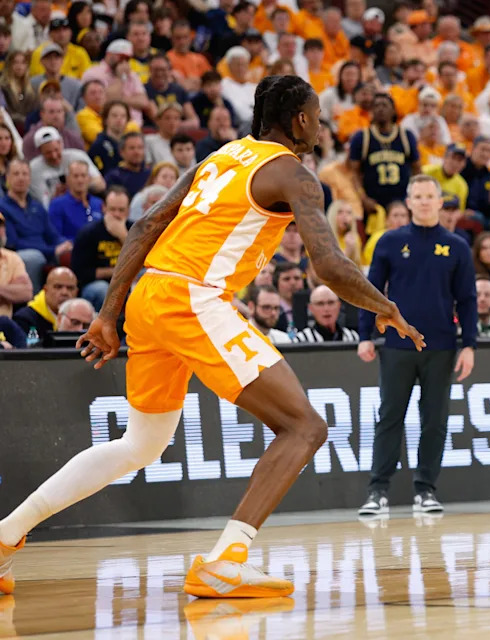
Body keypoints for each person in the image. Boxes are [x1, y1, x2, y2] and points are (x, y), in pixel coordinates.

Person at [0, 75, 424, 599]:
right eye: (316, 115)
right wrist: (386, 307)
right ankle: (227, 560)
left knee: (140, 443)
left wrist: (109, 313)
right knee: (304, 426)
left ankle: (5, 535)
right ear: (300, 120)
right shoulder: (295, 172)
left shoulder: (219, 158)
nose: (320, 125)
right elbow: (330, 266)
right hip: (192, 296)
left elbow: (146, 224)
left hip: (149, 296)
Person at [356, 174, 476, 518]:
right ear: (408, 202)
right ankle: (377, 491)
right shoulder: (389, 242)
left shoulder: (457, 246)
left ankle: (425, 490)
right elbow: (372, 292)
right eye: (417, 196)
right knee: (390, 417)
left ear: (440, 202)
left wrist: (469, 345)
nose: (424, 201)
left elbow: (467, 300)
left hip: (441, 346)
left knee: (435, 421)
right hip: (396, 345)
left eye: (429, 196)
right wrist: (366, 335)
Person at [348, 93, 420, 221]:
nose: (380, 108)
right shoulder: (361, 137)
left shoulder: (406, 136)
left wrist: (413, 198)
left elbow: (417, 170)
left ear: (393, 111)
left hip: (401, 203)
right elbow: (354, 173)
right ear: (371, 111)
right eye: (376, 105)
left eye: (384, 105)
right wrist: (363, 198)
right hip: (374, 205)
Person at [1, 158, 70, 291]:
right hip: (21, 255)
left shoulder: (37, 206)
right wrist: (51, 251)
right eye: (16, 174)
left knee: (70, 251)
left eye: (25, 174)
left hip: (45, 253)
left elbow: (52, 235)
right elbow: (12, 243)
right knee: (34, 257)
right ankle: (33, 301)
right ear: (7, 178)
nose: (21, 178)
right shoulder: (2, 207)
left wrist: (66, 244)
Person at [70, 187, 132, 310]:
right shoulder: (88, 233)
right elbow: (80, 273)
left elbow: (144, 263)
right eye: (112, 209)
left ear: (128, 211)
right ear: (103, 208)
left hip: (126, 283)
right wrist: (117, 272)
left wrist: (124, 237)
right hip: (95, 286)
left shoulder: (134, 229)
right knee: (104, 290)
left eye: (121, 210)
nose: (117, 214)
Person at [29, 127, 105, 208]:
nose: (54, 156)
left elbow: (100, 184)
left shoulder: (77, 156)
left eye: (56, 150)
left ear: (61, 144)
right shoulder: (34, 168)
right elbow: (43, 203)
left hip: (83, 203)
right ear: (39, 151)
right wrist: (55, 195)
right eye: (48, 153)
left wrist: (76, 186)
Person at [12, 266, 77, 342]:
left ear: (77, 292)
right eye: (58, 287)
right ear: (45, 290)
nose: (64, 293)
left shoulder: (84, 318)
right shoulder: (25, 319)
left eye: (70, 288)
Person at [48, 160, 103, 242]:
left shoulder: (99, 203)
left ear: (89, 178)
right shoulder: (57, 204)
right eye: (75, 176)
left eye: (83, 175)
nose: (80, 180)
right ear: (67, 179)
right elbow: (55, 237)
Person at [0, 213, 32, 318]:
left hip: (4, 324)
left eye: (1, 226)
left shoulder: (12, 258)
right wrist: (8, 290)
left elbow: (26, 292)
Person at [104, 132, 152, 197]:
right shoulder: (114, 177)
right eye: (132, 148)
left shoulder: (151, 175)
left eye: (140, 147)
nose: (137, 152)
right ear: (121, 152)